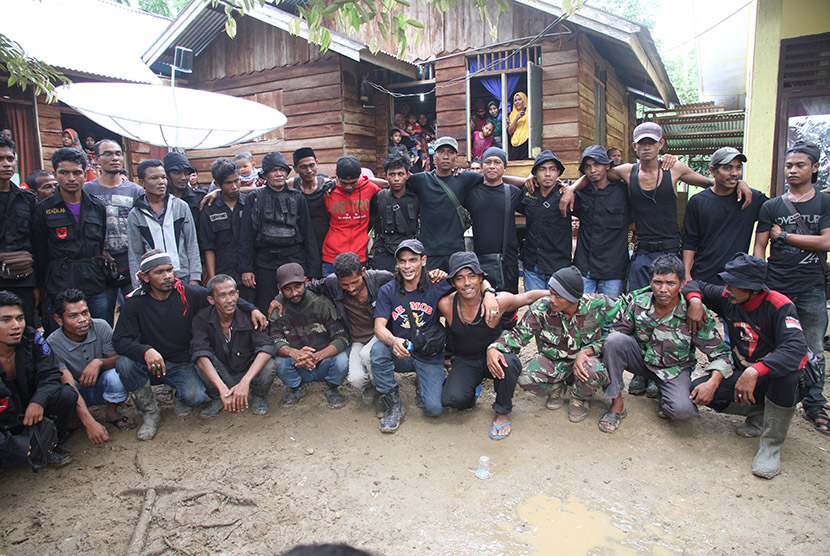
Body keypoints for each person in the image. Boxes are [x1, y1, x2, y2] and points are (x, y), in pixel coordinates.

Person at [560, 122, 752, 291]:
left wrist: (740, 183)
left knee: (668, 303)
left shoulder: (674, 169)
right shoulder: (627, 172)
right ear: (635, 146)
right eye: (642, 143)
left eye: (651, 142)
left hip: (671, 249)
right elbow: (596, 173)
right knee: (637, 305)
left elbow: (709, 182)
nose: (646, 147)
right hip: (643, 250)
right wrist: (571, 189)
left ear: (660, 144)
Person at [113, 250, 267, 440]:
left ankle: (178, 395)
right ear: (145, 276)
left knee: (195, 397)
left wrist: (253, 309)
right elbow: (119, 340)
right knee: (124, 364)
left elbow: (224, 296)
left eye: (169, 270)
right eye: (159, 272)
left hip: (180, 363)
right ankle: (149, 412)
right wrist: (145, 350)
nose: (167, 276)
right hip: (151, 362)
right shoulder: (135, 303)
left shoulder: (189, 293)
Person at [683, 253, 810, 478]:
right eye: (727, 282)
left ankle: (771, 446)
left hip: (778, 377)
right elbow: (696, 284)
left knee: (787, 376)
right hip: (747, 373)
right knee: (702, 389)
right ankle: (761, 413)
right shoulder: (728, 297)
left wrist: (756, 369)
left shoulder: (779, 305)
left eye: (734, 285)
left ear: (754, 288)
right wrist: (695, 300)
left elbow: (796, 350)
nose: (726, 289)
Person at [371, 239, 499, 433]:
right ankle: (393, 404)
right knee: (378, 350)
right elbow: (379, 327)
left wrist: (489, 292)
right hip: (403, 350)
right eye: (402, 261)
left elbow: (469, 281)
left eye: (412, 260)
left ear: (423, 260)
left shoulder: (437, 284)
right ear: (397, 263)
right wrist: (394, 340)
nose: (407, 266)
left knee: (434, 409)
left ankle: (423, 386)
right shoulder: (388, 290)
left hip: (428, 353)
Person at [601, 255, 731, 432]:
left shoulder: (694, 313)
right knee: (614, 340)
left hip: (674, 370)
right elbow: (618, 333)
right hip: (642, 362)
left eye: (671, 283)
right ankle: (617, 404)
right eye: (657, 282)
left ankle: (665, 394)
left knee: (682, 412)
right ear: (650, 282)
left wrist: (713, 382)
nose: (663, 289)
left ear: (682, 284)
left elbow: (721, 354)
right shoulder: (639, 303)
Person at [754, 140, 830, 436]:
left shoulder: (824, 203)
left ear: (815, 167)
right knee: (773, 346)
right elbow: (760, 245)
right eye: (788, 165)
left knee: (813, 349)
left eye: (800, 165)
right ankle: (768, 401)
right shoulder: (771, 206)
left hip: (810, 286)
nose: (793, 171)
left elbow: (826, 242)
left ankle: (813, 405)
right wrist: (761, 282)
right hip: (776, 286)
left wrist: (784, 235)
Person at [488, 266, 622, 425]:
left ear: (573, 298)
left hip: (585, 362)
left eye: (558, 296)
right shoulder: (542, 307)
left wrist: (593, 348)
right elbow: (518, 335)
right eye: (551, 292)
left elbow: (626, 319)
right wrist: (495, 347)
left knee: (594, 370)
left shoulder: (597, 304)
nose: (552, 299)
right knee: (525, 377)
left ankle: (579, 397)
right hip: (555, 362)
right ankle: (556, 388)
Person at [440, 252, 547, 439]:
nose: (467, 283)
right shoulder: (446, 305)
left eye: (472, 276)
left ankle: (502, 411)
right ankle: (472, 389)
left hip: (495, 356)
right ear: (452, 283)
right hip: (465, 360)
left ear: (481, 278)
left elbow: (528, 298)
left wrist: (558, 293)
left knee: (509, 363)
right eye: (460, 278)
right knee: (452, 400)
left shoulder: (498, 301)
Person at [32, 147, 109, 330]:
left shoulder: (97, 207)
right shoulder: (43, 210)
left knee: (100, 332)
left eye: (77, 173)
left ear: (85, 174)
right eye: (64, 173)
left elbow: (100, 244)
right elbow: (39, 252)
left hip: (94, 282)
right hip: (59, 283)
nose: (71, 178)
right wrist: (41, 288)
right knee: (61, 338)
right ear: (55, 174)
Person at [46, 289, 133, 445]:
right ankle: (75, 418)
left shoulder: (100, 326)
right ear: (59, 320)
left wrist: (98, 362)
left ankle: (112, 411)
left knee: (120, 371)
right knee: (63, 392)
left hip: (100, 384)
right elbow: (68, 383)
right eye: (73, 316)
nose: (82, 320)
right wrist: (90, 423)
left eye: (85, 313)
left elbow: (116, 359)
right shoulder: (52, 343)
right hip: (77, 389)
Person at [0, 290, 76, 467]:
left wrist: (38, 401)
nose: (16, 325)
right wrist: (9, 446)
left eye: (19, 318)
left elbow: (50, 374)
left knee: (66, 395)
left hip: (29, 410)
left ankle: (50, 446)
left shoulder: (32, 339)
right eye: (6, 320)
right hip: (4, 419)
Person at [239, 151, 320, 313]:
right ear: (266, 174)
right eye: (273, 170)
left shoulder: (298, 197)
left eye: (282, 170)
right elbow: (246, 236)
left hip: (294, 259)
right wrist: (246, 268)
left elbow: (308, 235)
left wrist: (313, 270)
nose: (278, 174)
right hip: (265, 263)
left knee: (298, 305)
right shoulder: (254, 198)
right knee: (267, 306)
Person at [191, 274, 277, 417]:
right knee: (201, 361)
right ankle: (219, 397)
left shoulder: (250, 316)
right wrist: (222, 388)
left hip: (247, 371)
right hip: (223, 372)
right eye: (222, 295)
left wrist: (246, 381)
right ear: (211, 300)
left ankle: (258, 395)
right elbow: (200, 351)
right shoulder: (202, 319)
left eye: (232, 293)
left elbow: (267, 347)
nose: (229, 300)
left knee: (269, 363)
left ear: (238, 294)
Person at [269, 263, 349, 408]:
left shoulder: (322, 304)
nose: (294, 293)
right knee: (278, 362)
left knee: (342, 359)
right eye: (288, 289)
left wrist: (318, 356)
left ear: (306, 282)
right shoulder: (278, 310)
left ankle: (331, 387)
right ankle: (296, 388)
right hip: (298, 364)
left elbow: (342, 337)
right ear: (279, 289)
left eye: (297, 286)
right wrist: (295, 353)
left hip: (324, 362)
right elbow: (275, 339)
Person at [682, 147, 767, 284]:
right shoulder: (697, 202)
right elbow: (690, 240)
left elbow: (775, 214)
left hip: (737, 279)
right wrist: (686, 274)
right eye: (727, 168)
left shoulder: (751, 198)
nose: (734, 173)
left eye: (738, 168)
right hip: (703, 277)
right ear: (712, 171)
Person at [83, 139, 143, 324]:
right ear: (97, 159)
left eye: (118, 153)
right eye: (108, 154)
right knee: (101, 315)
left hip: (130, 262)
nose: (114, 158)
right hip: (100, 264)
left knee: (135, 313)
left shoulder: (135, 191)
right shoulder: (87, 190)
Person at [127, 159, 201, 288]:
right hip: (154, 279)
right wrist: (138, 284)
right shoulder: (136, 214)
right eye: (154, 178)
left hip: (182, 275)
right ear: (142, 182)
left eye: (163, 177)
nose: (161, 182)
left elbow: (192, 244)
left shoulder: (180, 207)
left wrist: (195, 277)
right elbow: (135, 254)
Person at [572, 145, 631, 297]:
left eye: (597, 164)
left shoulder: (624, 192)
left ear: (607, 165)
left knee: (611, 316)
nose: (592, 170)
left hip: (613, 269)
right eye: (587, 167)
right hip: (585, 266)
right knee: (582, 315)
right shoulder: (580, 194)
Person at [464, 147, 523, 293]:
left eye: (497, 162)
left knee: (508, 309)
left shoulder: (513, 193)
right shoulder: (470, 193)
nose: (492, 166)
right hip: (479, 261)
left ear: (504, 167)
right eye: (488, 162)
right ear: (482, 165)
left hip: (507, 262)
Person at [519, 150, 572, 292]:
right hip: (533, 265)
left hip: (558, 266)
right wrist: (527, 178)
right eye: (542, 169)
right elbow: (502, 180)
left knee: (558, 311)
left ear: (558, 173)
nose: (547, 174)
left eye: (552, 169)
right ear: (535, 173)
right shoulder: (529, 192)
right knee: (536, 310)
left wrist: (571, 189)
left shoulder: (567, 193)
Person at [200, 157, 251, 301]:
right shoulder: (209, 208)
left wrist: (249, 269)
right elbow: (207, 246)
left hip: (247, 274)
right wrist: (212, 278)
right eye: (229, 183)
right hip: (223, 273)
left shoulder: (249, 203)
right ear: (217, 184)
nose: (234, 186)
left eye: (237, 181)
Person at [0, 136, 38, 327]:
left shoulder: (27, 199)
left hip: (23, 279)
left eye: (10, 158)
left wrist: (37, 285)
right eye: (0, 159)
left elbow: (37, 242)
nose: (6, 164)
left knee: (25, 331)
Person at [322, 156, 382, 276]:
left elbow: (390, 184)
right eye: (344, 183)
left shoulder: (370, 188)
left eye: (352, 183)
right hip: (332, 256)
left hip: (358, 255)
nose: (348, 187)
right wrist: (328, 183)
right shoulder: (328, 192)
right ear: (337, 177)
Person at [371, 153, 418, 272]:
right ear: (385, 176)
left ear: (407, 175)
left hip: (409, 252)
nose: (396, 178)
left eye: (400, 174)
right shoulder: (378, 197)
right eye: (392, 174)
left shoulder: (417, 197)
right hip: (384, 253)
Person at [291, 147, 330, 255]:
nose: (309, 171)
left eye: (311, 165)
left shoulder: (327, 184)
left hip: (326, 243)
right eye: (303, 167)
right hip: (301, 244)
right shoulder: (292, 185)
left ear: (317, 163)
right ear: (295, 168)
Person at [163, 151, 206, 232]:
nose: (183, 177)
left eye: (186, 173)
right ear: (167, 175)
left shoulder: (200, 198)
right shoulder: (160, 200)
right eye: (177, 173)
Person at [507, 92, 529, 160]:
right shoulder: (512, 115)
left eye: (519, 99)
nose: (517, 102)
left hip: (527, 142)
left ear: (524, 100)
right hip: (515, 143)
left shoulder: (530, 113)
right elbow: (510, 132)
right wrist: (516, 118)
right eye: (515, 100)